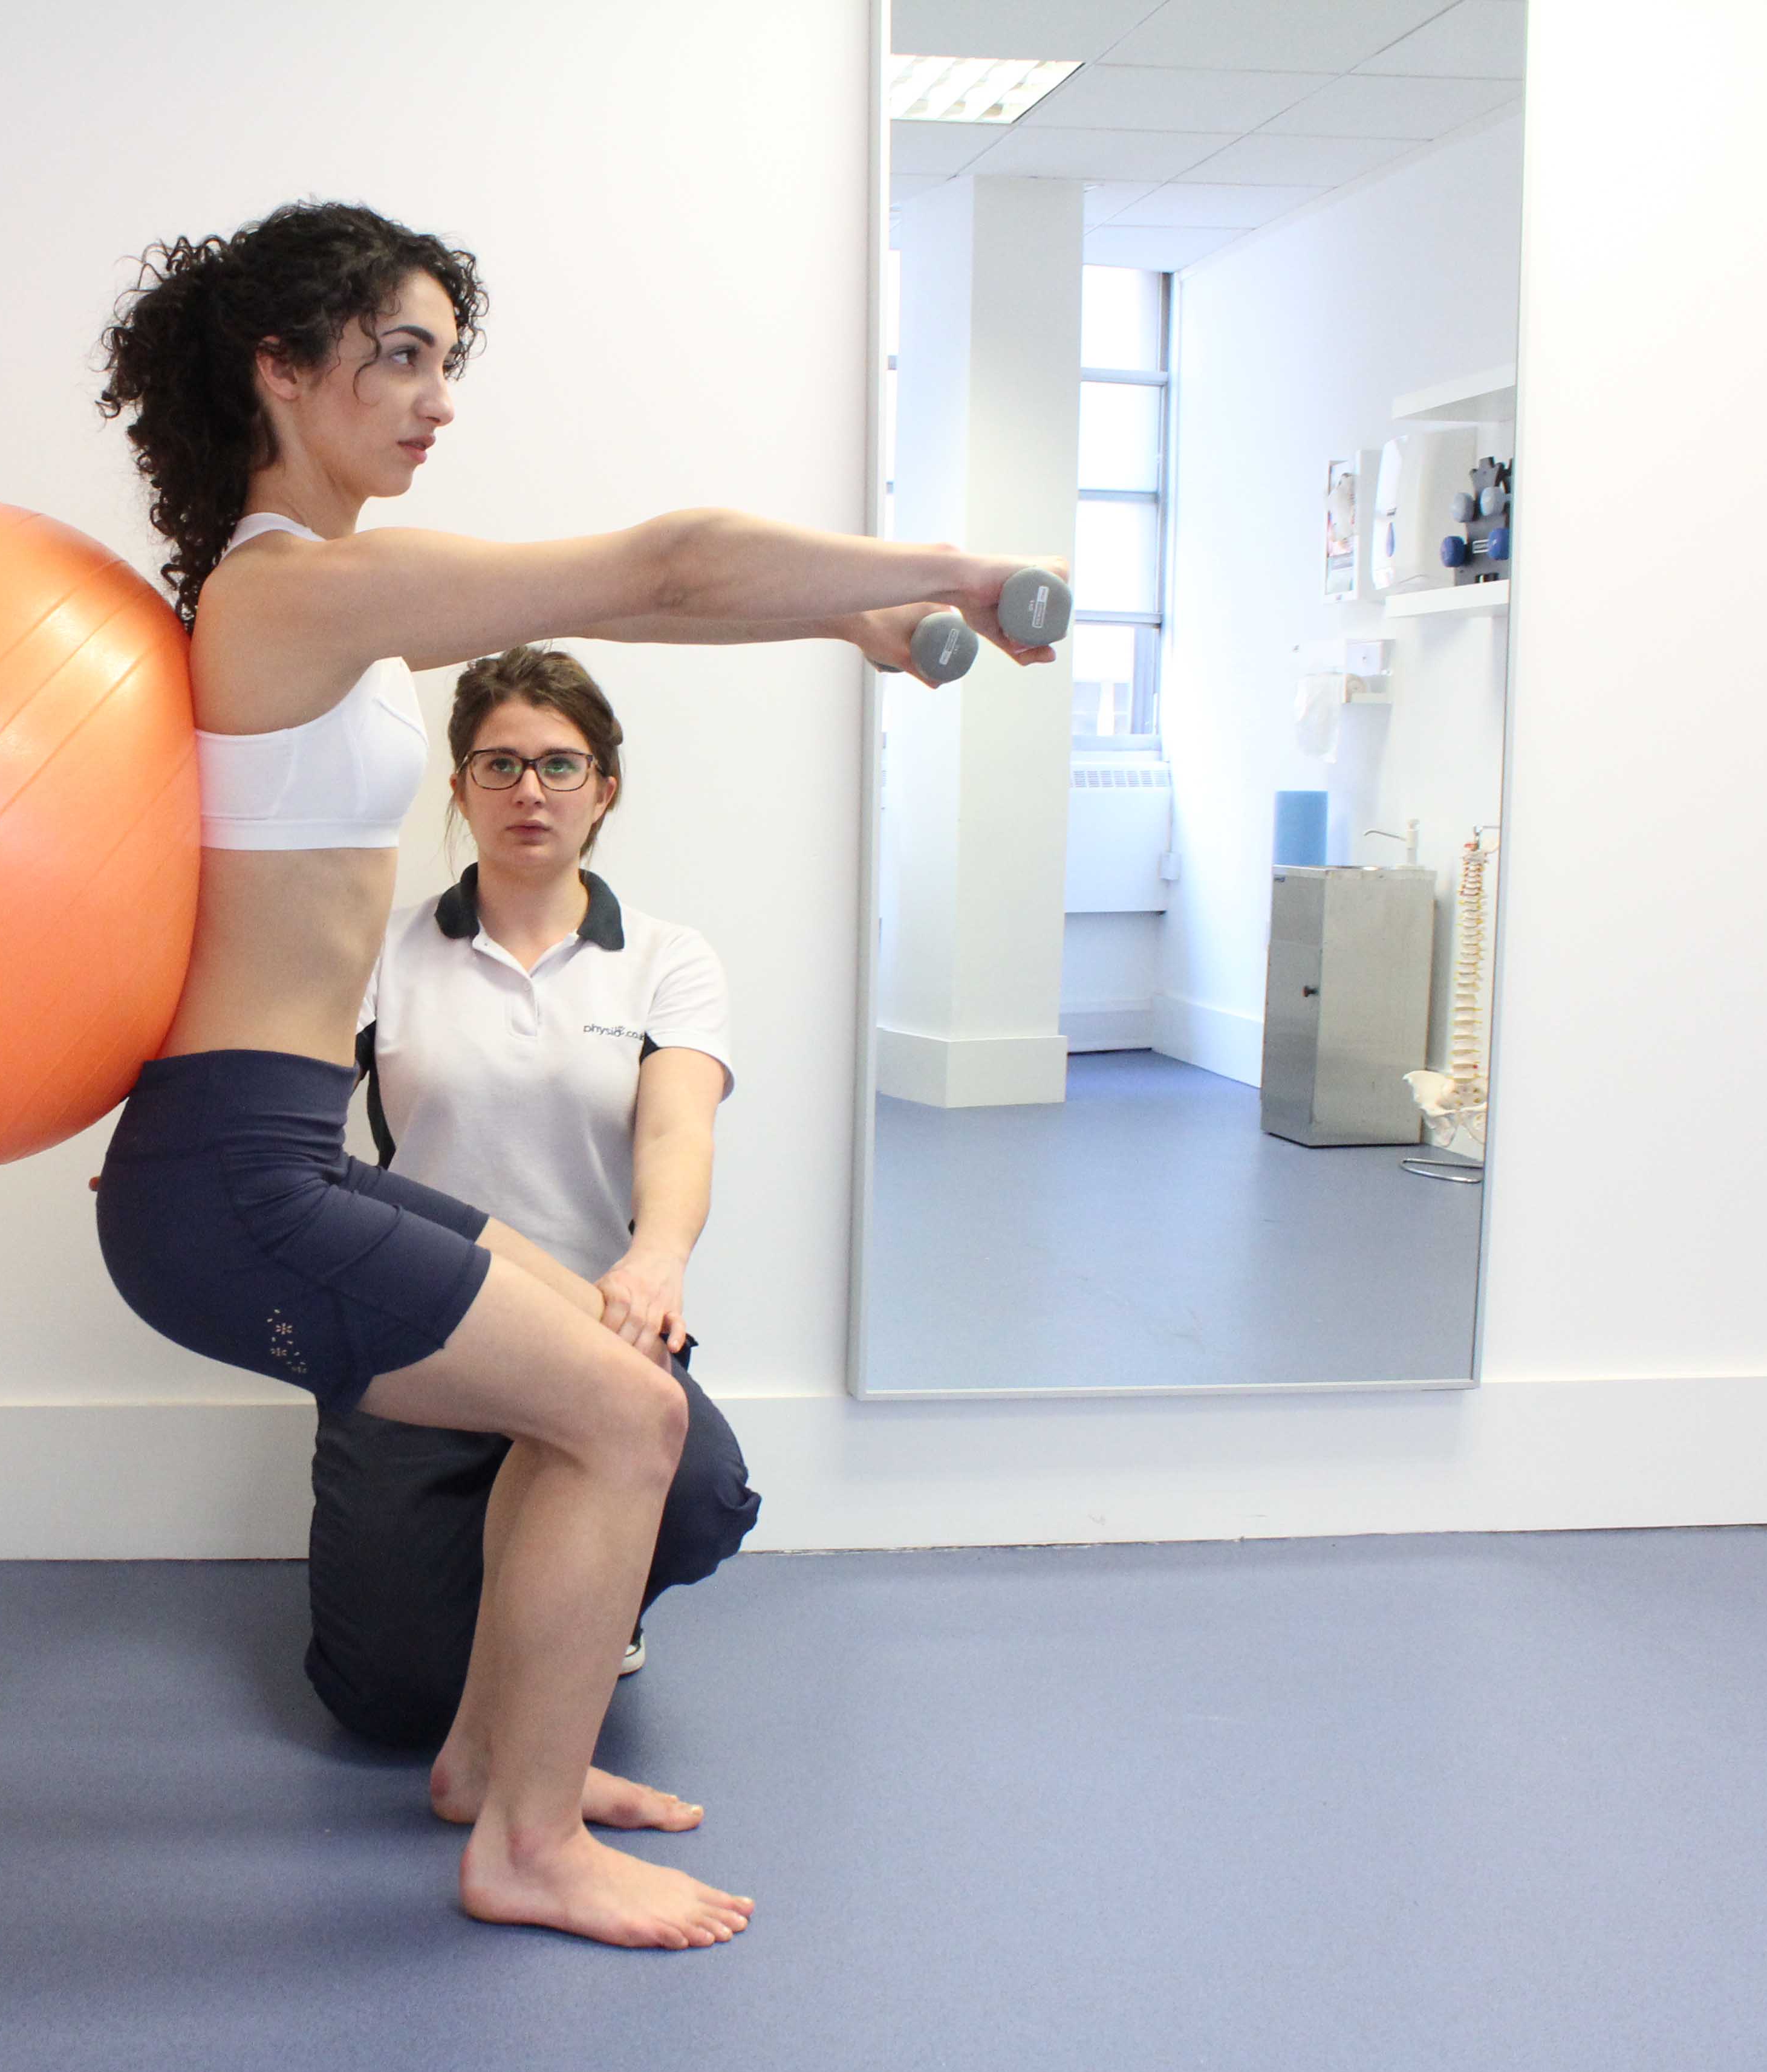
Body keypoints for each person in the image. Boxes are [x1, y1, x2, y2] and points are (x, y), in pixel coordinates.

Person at [89, 200, 1055, 1951]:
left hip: (260, 1151)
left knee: (611, 1379)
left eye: (447, 362)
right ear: (281, 370)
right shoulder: (293, 590)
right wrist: (952, 576)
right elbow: (663, 563)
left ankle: (490, 1761)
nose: (435, 398)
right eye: (398, 354)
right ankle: (528, 1844)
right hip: (239, 1171)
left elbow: (654, 613)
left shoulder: (317, 611)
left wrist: (842, 626)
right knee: (629, 1417)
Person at [307, 645, 758, 1752]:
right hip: (421, 1329)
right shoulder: (386, 948)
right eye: (498, 764)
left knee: (703, 1492)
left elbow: (676, 1126)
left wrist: (656, 1260)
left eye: (562, 766)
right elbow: (293, 1101)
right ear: (457, 787)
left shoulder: (666, 958)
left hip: (596, 1323)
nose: (529, 792)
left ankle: (594, 1606)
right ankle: (513, 1596)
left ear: (605, 788)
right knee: (388, 1706)